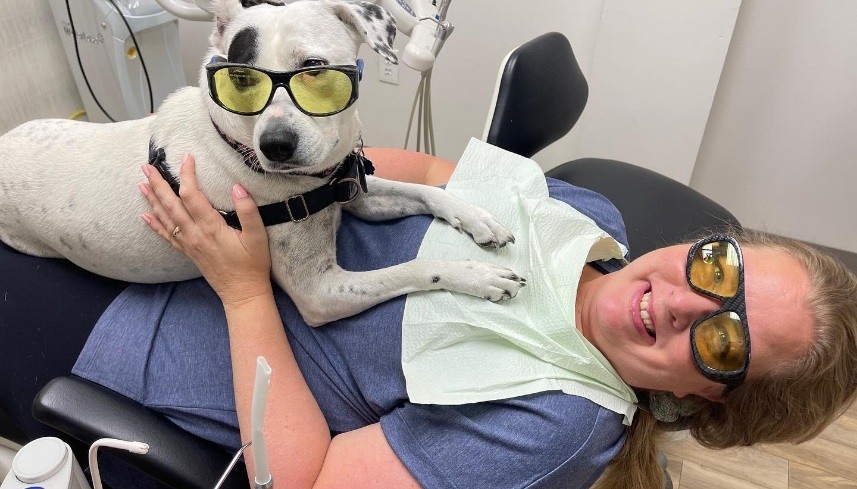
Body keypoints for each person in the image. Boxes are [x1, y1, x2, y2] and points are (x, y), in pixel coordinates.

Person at [1, 147, 856, 488]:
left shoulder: (550, 423)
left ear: (710, 400)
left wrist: (246, 289)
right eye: (719, 268)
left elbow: (305, 480)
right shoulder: (590, 216)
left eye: (721, 338)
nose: (677, 299)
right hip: (207, 231)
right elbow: (402, 168)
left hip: (136, 334)